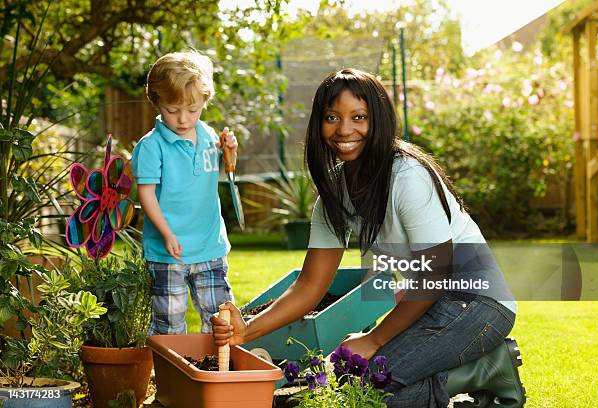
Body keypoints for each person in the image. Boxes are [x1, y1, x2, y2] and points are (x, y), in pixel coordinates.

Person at [212, 68, 525, 407]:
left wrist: (374, 340)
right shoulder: (335, 195)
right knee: (353, 375)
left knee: (366, 392)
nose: (344, 129)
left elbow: (435, 275)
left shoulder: (407, 177)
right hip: (428, 302)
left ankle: (486, 370)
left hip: (477, 304)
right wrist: (248, 330)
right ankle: (473, 373)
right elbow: (309, 287)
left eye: (358, 117)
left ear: (378, 121)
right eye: (332, 117)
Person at [132, 51, 237, 335]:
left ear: (205, 100)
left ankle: (217, 373)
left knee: (220, 322)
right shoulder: (151, 146)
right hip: (169, 253)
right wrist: (167, 233)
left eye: (192, 109)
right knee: (170, 322)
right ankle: (173, 377)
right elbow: (147, 195)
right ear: (156, 102)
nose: (182, 119)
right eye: (172, 110)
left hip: (209, 247)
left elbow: (226, 170)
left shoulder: (210, 137)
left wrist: (230, 151)